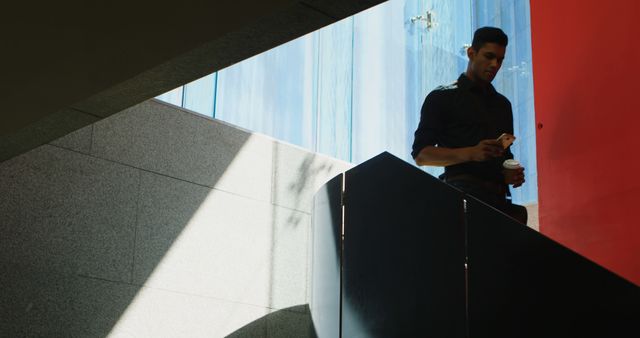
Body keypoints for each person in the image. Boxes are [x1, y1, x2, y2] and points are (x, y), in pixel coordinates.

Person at [411, 26, 527, 224]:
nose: (494, 64)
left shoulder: (503, 105)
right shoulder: (441, 97)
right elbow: (421, 155)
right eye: (489, 56)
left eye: (500, 60)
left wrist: (511, 174)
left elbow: (505, 156)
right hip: (460, 200)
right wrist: (471, 153)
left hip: (500, 204)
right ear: (471, 53)